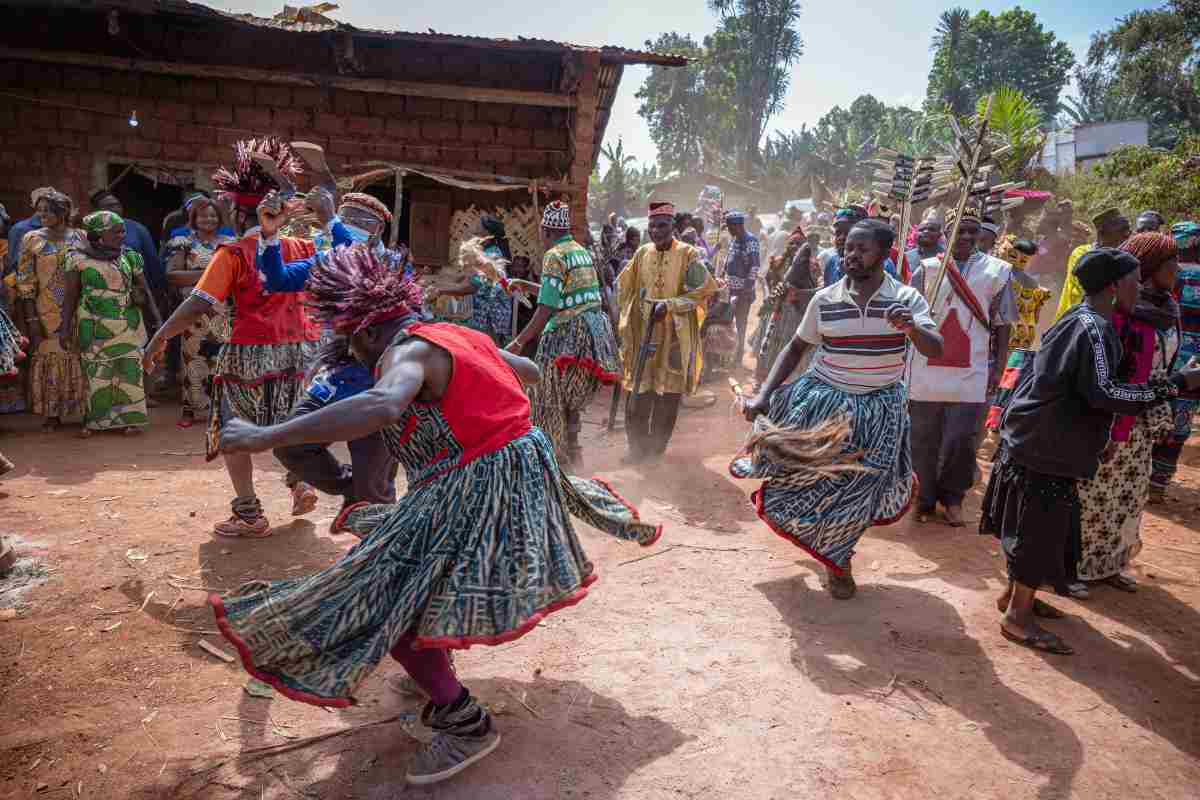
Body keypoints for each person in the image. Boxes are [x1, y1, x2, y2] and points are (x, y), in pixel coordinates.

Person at [210, 242, 660, 784]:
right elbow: (531, 371)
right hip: (520, 471)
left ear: (366, 330)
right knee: (419, 591)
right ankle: (437, 685)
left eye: (351, 347)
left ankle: (463, 721)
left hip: (476, 481)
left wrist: (266, 434)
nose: (356, 359)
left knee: (383, 597)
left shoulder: (406, 352)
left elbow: (381, 406)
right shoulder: (461, 336)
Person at [981, 248, 1200, 654]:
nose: (1139, 289)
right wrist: (1177, 385)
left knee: (1035, 525)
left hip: (1038, 436)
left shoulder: (1080, 317)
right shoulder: (1095, 329)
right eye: (1135, 282)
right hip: (1048, 443)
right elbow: (1106, 392)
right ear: (1115, 286)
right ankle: (1017, 618)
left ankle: (1014, 596)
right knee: (1040, 530)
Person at [738, 219, 943, 598]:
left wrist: (911, 328)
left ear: (884, 254)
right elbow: (796, 348)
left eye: (862, 249)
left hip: (881, 410)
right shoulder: (825, 299)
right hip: (826, 405)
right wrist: (765, 393)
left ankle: (838, 556)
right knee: (812, 482)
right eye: (849, 247)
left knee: (860, 490)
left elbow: (936, 347)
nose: (852, 255)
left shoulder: (907, 300)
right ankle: (836, 556)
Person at [144, 137, 318, 537]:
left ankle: (249, 513)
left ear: (240, 216)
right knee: (288, 422)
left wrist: (157, 340)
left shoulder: (233, 254)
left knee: (234, 430)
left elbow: (197, 305)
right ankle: (301, 482)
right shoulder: (305, 246)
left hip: (249, 353)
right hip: (299, 351)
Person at [256, 187, 407, 514]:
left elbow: (359, 268)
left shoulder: (391, 263)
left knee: (375, 488)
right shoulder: (327, 259)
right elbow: (274, 280)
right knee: (291, 442)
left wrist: (332, 220)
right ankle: (351, 490)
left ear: (378, 229)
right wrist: (269, 235)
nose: (350, 223)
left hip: (381, 383)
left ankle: (377, 541)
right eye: (347, 215)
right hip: (337, 376)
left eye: (360, 219)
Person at [1068, 233, 1180, 596]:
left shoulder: (1165, 309)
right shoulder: (1116, 316)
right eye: (1169, 264)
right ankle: (1073, 568)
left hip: (1141, 420)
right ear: (1147, 269)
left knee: (1126, 496)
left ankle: (1108, 563)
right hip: (1112, 418)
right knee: (1093, 496)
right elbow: (1108, 378)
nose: (1176, 270)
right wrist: (1116, 426)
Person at [908, 208, 1017, 526]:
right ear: (947, 233)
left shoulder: (998, 271)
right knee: (923, 438)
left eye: (973, 231)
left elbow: (1003, 324)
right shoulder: (927, 270)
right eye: (961, 231)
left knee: (961, 440)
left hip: (973, 370)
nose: (967, 237)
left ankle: (953, 498)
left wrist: (999, 367)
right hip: (926, 369)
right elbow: (910, 318)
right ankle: (924, 498)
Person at [506, 201, 620, 468]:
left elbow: (548, 307)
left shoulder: (554, 255)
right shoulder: (580, 252)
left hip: (568, 334)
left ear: (546, 231)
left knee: (547, 395)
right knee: (569, 399)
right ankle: (574, 453)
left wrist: (519, 342)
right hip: (592, 336)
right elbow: (560, 295)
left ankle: (555, 458)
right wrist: (525, 285)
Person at [617, 202, 717, 462]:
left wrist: (670, 306)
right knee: (638, 390)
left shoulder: (689, 254)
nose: (656, 231)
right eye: (651, 226)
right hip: (644, 337)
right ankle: (636, 449)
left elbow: (703, 290)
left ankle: (655, 452)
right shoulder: (641, 254)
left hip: (674, 337)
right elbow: (624, 288)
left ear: (673, 226)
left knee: (668, 397)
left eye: (662, 226)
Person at [62, 211, 161, 436]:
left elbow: (145, 289)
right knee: (96, 372)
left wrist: (157, 319)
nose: (122, 234)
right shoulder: (76, 258)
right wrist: (65, 327)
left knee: (129, 371)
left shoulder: (129, 256)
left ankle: (129, 420)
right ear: (98, 234)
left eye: (122, 230)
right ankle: (94, 422)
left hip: (128, 320)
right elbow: (70, 296)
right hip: (93, 323)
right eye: (115, 231)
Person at [14, 190, 87, 432]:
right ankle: (52, 413)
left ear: (63, 212)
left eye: (47, 209)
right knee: (49, 354)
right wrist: (31, 318)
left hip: (77, 305)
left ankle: (83, 410)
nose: (42, 214)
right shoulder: (31, 238)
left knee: (79, 354)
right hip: (44, 307)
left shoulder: (81, 237)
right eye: (40, 209)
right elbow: (24, 279)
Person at [163, 194, 237, 428]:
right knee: (192, 359)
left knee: (222, 361)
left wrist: (209, 279)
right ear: (194, 218)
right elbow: (172, 275)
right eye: (204, 215)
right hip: (193, 312)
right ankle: (190, 410)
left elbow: (238, 275)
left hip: (222, 311)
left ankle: (221, 411)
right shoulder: (184, 242)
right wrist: (211, 278)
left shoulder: (229, 242)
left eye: (213, 215)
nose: (209, 219)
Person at [1150, 222, 1200, 502]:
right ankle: (1157, 483)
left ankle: (1140, 472)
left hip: (1161, 356)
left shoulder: (1163, 275)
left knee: (1148, 412)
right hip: (1193, 365)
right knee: (1180, 421)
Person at [986, 236, 1053, 431]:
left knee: (993, 381)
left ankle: (989, 426)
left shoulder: (998, 275)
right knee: (1007, 384)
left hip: (997, 339)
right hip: (1021, 341)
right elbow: (1036, 318)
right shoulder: (1036, 288)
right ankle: (995, 427)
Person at [754, 226, 817, 385]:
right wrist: (774, 295)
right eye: (792, 244)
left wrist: (796, 293)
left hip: (796, 311)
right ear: (787, 245)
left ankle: (785, 382)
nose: (795, 247)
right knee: (768, 345)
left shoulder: (812, 266)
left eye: (799, 244)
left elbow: (816, 287)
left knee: (790, 346)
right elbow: (767, 282)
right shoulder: (777, 263)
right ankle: (761, 381)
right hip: (778, 309)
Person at [90, 190, 166, 307]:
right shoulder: (89, 232)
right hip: (101, 295)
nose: (115, 209)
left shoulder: (137, 229)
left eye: (117, 205)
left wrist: (158, 292)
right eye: (109, 206)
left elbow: (153, 263)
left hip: (135, 295)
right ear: (97, 211)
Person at [1054, 208, 1131, 322]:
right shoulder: (1082, 253)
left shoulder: (1121, 256)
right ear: (1102, 232)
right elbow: (1087, 288)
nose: (1126, 235)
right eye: (1121, 230)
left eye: (1127, 230)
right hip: (1075, 321)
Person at [821, 205, 900, 285]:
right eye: (838, 233)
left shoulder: (882, 264)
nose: (841, 237)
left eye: (848, 232)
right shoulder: (832, 263)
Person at [723, 211, 760, 367]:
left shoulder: (750, 241)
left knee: (740, 323)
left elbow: (754, 266)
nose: (729, 230)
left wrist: (746, 289)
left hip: (743, 291)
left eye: (730, 227)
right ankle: (727, 354)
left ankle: (738, 356)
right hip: (729, 289)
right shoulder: (735, 240)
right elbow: (729, 260)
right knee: (727, 322)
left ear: (738, 226)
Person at [5, 187, 55, 277]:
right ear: (34, 206)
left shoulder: (58, 227)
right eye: (41, 206)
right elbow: (14, 263)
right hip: (30, 283)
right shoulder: (20, 229)